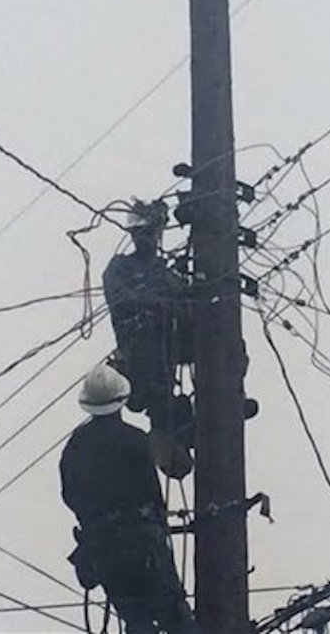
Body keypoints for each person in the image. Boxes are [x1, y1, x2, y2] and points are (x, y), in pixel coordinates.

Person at [60, 363, 200, 634]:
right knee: (177, 619)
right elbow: (150, 490)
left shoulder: (74, 448)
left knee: (137, 622)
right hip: (143, 541)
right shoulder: (134, 440)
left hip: (103, 548)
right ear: (122, 400)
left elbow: (69, 496)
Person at [102, 200, 195, 477]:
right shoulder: (120, 268)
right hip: (142, 349)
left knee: (224, 344)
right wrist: (161, 302)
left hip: (172, 343)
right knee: (158, 397)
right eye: (141, 233)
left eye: (151, 232)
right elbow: (128, 300)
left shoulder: (166, 272)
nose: (147, 238)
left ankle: (221, 402)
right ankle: (167, 443)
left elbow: (188, 299)